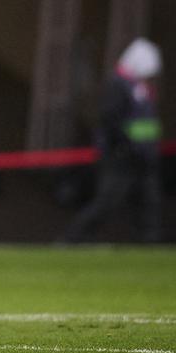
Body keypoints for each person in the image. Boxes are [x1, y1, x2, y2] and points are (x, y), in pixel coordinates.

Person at [64, 38, 163, 242]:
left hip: (142, 156)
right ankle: (73, 239)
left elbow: (146, 123)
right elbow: (111, 119)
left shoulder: (140, 89)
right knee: (108, 200)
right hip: (120, 156)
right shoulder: (118, 85)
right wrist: (124, 145)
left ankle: (150, 242)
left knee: (148, 202)